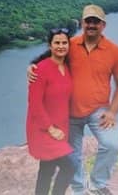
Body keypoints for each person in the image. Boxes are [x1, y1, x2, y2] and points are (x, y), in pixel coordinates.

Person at [29, 4, 118, 195]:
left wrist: (113, 112)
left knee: (113, 144)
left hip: (98, 110)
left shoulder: (116, 52)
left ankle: (98, 185)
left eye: (96, 22)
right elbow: (48, 58)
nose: (91, 25)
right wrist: (32, 66)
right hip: (69, 113)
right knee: (73, 155)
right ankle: (79, 189)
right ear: (82, 23)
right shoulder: (70, 45)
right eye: (88, 21)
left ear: (103, 25)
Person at [27, 28, 75, 195]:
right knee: (69, 168)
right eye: (57, 43)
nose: (61, 46)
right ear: (50, 45)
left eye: (64, 42)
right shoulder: (40, 69)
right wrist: (50, 129)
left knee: (47, 167)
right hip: (44, 128)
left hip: (60, 126)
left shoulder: (68, 67)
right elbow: (34, 104)